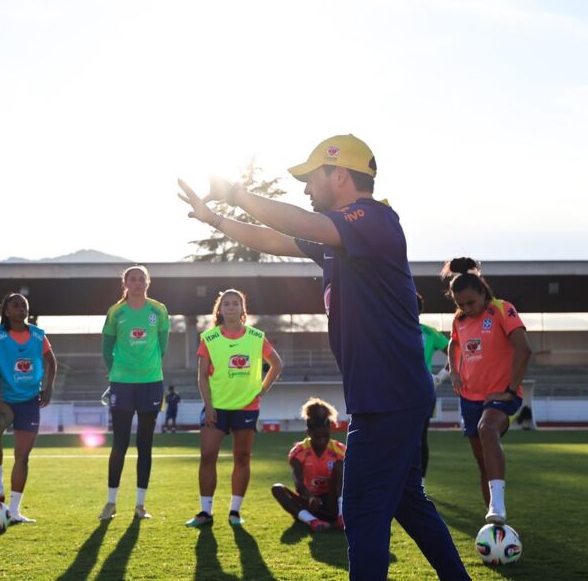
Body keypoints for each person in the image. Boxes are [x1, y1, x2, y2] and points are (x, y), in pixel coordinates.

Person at [178, 134, 468, 580]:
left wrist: (236, 193)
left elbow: (301, 224)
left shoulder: (374, 219)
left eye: (312, 178)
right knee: (408, 502)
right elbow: (276, 238)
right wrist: (215, 217)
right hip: (388, 394)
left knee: (362, 507)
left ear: (340, 175)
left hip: (389, 395)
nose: (306, 189)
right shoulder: (341, 240)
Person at [443, 257, 532, 525]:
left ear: (483, 292)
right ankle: (495, 522)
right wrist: (455, 372)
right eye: (461, 304)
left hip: (501, 396)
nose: (467, 309)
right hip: (469, 398)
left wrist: (509, 389)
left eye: (471, 302)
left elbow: (524, 350)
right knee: (481, 462)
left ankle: (498, 506)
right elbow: (452, 345)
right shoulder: (459, 320)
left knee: (487, 429)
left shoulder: (502, 309)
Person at [185, 289, 282, 527]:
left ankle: (235, 512)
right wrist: (208, 406)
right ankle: (205, 512)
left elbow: (277, 365)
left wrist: (262, 389)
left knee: (242, 457)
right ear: (220, 309)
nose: (230, 307)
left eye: (235, 303)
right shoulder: (209, 338)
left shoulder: (256, 337)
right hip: (216, 408)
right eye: (226, 303)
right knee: (207, 456)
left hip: (246, 407)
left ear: (242, 309)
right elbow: (202, 378)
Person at [99, 265, 169, 521]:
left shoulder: (158, 310)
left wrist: (146, 367)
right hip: (122, 383)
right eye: (133, 279)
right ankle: (110, 503)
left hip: (151, 383)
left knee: (145, 445)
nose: (138, 283)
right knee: (119, 444)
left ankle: (140, 506)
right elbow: (107, 347)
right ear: (125, 283)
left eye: (142, 279)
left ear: (147, 282)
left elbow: (163, 346)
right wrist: (118, 371)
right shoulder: (116, 312)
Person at [0, 293, 57, 523]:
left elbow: (52, 362)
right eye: (15, 305)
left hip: (30, 400)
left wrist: (49, 388)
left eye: (24, 305)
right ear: (6, 311)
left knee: (22, 457)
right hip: (6, 399)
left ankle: (14, 511)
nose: (21, 308)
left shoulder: (38, 334)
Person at [271, 398, 345, 533]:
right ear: (309, 433)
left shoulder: (339, 450)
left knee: (341, 466)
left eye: (325, 436)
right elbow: (298, 482)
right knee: (277, 489)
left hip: (333, 501)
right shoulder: (299, 452)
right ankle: (314, 522)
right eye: (318, 437)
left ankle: (341, 517)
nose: (322, 441)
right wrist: (310, 497)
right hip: (310, 503)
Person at [417, 293, 450, 485]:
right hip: (396, 393)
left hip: (423, 392)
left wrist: (440, 378)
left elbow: (456, 350)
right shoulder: (390, 330)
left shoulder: (429, 333)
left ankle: (419, 484)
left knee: (420, 437)